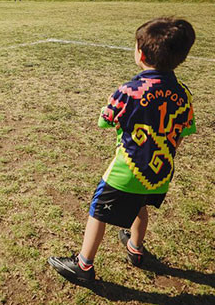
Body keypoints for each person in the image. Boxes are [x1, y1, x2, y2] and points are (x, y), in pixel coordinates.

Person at [48, 17, 196, 282]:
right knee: (141, 205)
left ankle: (83, 265)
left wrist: (109, 104)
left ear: (140, 53)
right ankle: (135, 249)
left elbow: (105, 120)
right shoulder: (184, 93)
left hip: (128, 170)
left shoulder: (130, 90)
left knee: (98, 210)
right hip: (160, 170)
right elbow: (182, 133)